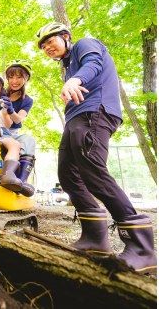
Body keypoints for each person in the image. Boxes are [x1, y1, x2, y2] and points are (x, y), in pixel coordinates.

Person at [36, 22, 156, 272]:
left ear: (66, 37)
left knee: (93, 174)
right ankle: (95, 237)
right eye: (44, 45)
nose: (48, 47)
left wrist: (76, 79)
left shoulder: (85, 44)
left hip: (95, 113)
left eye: (51, 41)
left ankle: (142, 246)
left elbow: (94, 64)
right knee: (67, 176)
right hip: (76, 118)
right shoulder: (67, 65)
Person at [0, 72, 34, 197]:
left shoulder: (4, 104)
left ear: (0, 90)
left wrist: (7, 111)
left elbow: (11, 123)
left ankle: (10, 175)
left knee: (16, 143)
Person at [1, 61, 36, 192]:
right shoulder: (1, 93)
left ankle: (21, 181)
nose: (14, 81)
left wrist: (11, 111)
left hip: (14, 132)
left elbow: (19, 119)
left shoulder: (27, 100)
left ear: (26, 78)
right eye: (11, 77)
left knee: (28, 141)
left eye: (19, 77)